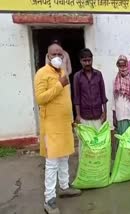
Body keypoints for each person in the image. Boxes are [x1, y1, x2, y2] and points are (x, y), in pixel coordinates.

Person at [34, 43, 81, 214]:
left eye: (59, 54)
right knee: (52, 162)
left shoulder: (62, 72)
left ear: (63, 56)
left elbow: (65, 99)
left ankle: (64, 186)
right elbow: (40, 98)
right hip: (51, 125)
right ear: (47, 56)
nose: (57, 57)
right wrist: (59, 85)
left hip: (63, 123)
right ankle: (49, 199)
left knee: (64, 157)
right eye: (53, 54)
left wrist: (70, 119)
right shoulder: (42, 74)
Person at [73, 48, 108, 156]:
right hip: (84, 116)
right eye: (85, 61)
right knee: (85, 146)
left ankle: (98, 170)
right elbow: (76, 97)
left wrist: (104, 112)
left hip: (98, 115)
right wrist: (78, 115)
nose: (87, 63)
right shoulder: (77, 77)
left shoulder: (98, 74)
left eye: (89, 60)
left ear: (92, 60)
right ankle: (87, 171)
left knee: (98, 144)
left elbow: (103, 95)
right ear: (80, 61)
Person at [112, 55, 130, 135]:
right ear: (118, 66)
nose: (122, 68)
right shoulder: (115, 79)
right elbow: (113, 98)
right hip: (119, 114)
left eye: (124, 65)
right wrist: (113, 115)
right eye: (120, 66)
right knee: (121, 138)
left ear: (127, 65)